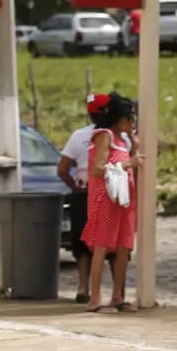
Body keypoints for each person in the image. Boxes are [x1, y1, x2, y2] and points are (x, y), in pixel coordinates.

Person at [82, 93, 143, 314]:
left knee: (122, 247)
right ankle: (95, 298)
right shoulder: (104, 136)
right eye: (129, 118)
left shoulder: (122, 140)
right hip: (106, 198)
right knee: (101, 246)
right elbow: (98, 168)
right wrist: (129, 162)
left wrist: (133, 143)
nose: (132, 122)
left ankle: (118, 295)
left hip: (123, 199)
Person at [58, 93, 116, 303]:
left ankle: (83, 287)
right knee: (112, 242)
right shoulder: (119, 138)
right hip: (111, 194)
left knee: (82, 243)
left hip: (83, 194)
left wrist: (76, 187)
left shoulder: (78, 136)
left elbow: (62, 169)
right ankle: (116, 291)